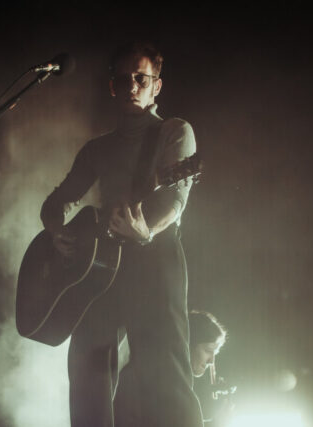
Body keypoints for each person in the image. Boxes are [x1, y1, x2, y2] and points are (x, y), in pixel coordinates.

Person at [40, 41, 202, 427]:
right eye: (123, 79)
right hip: (100, 266)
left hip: (155, 256)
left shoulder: (174, 131)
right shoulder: (97, 149)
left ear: (156, 86)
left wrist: (146, 230)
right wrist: (56, 231)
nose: (132, 85)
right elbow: (55, 203)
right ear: (112, 86)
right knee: (86, 370)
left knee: (165, 372)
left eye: (141, 79)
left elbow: (175, 201)